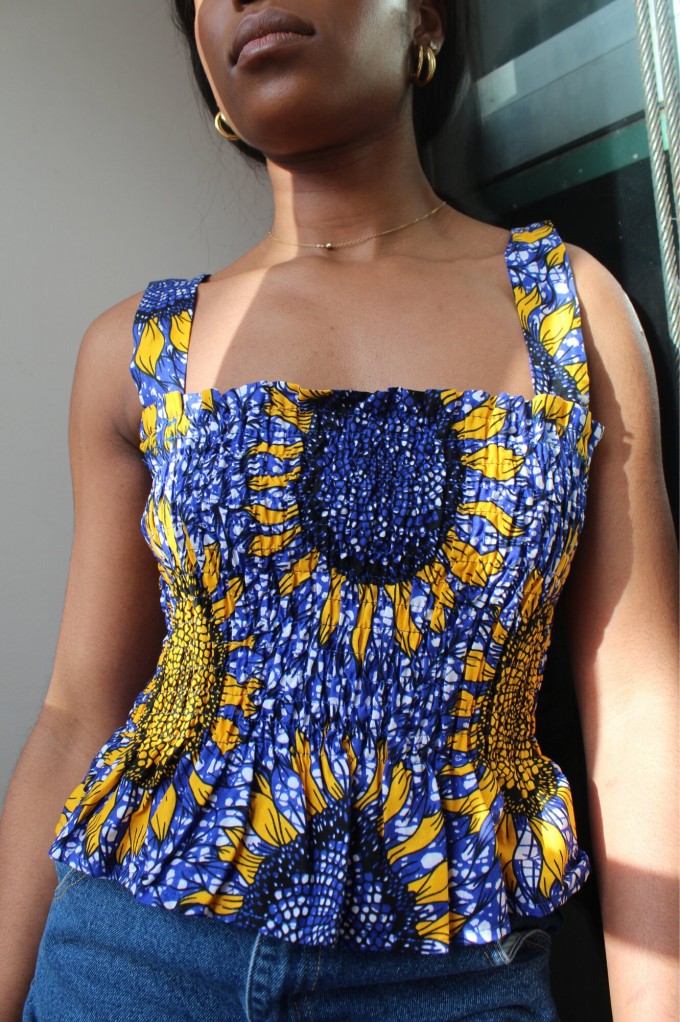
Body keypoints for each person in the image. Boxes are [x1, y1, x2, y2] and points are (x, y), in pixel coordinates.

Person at [0, 1, 677, 1019]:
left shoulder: (568, 312)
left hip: (454, 983)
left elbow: (638, 703)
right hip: (131, 963)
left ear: (426, 20)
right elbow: (76, 713)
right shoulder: (136, 351)